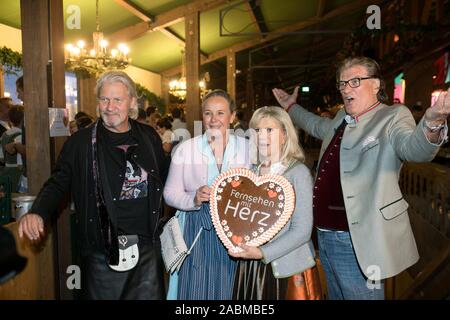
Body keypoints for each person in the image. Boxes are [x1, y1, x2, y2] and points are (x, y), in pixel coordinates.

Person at [272, 56, 449, 300]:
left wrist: (432, 122)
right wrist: (291, 107)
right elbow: (315, 125)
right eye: (342, 84)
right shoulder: (340, 119)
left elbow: (413, 149)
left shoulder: (392, 116)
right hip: (324, 235)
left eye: (354, 81)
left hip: (357, 242)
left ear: (376, 84)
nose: (346, 89)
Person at [17, 70, 167, 300]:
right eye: (104, 99)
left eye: (117, 99)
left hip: (146, 248)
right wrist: (38, 212)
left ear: (132, 102)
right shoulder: (81, 142)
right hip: (101, 250)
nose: (110, 106)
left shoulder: (148, 136)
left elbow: (165, 179)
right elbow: (59, 182)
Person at [163, 89, 251, 300]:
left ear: (232, 116)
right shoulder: (186, 149)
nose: (214, 119)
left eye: (221, 113)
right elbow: (169, 193)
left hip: (235, 232)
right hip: (196, 231)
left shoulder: (248, 148)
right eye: (208, 113)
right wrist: (193, 198)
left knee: (231, 291)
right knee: (196, 291)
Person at [228, 106, 317, 300]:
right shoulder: (249, 173)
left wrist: (263, 252)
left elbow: (302, 230)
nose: (262, 136)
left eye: (270, 130)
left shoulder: (298, 173)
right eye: (258, 130)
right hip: (251, 268)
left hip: (289, 269)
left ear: (284, 135)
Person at [1, 105, 24, 191]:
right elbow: (20, 164)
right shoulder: (20, 135)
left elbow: (2, 158)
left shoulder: (4, 135)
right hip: (17, 174)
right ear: (23, 120)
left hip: (6, 172)